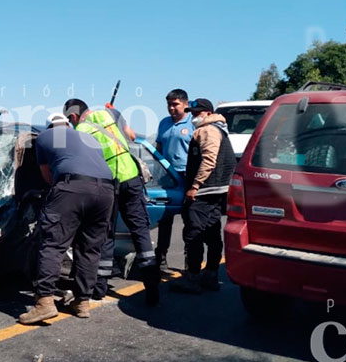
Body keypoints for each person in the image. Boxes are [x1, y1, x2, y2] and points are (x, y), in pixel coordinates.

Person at [19, 113, 115, 324]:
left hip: (72, 187)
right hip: (106, 191)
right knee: (89, 248)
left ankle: (44, 302)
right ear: (68, 124)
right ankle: (82, 301)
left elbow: (47, 177)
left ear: (49, 126)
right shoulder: (89, 138)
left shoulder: (44, 137)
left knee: (53, 244)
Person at [65, 98, 161, 306]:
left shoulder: (80, 130)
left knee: (105, 233)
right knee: (140, 232)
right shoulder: (110, 114)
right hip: (132, 177)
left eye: (69, 120)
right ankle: (152, 287)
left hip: (109, 182)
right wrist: (115, 113)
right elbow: (132, 135)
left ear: (73, 116)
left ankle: (99, 288)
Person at [171, 98, 235, 294]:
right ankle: (211, 275)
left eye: (197, 113)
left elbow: (209, 160)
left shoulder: (208, 130)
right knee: (212, 232)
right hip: (217, 190)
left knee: (194, 234)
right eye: (192, 113)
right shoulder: (220, 129)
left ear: (207, 113)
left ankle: (194, 277)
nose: (193, 116)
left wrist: (195, 186)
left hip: (205, 190)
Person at [153, 88, 193, 275]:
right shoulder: (164, 123)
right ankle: (160, 258)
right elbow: (158, 149)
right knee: (165, 220)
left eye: (175, 104)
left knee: (189, 221)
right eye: (169, 104)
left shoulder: (193, 123)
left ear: (186, 104)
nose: (171, 108)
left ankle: (189, 263)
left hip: (186, 177)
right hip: (167, 178)